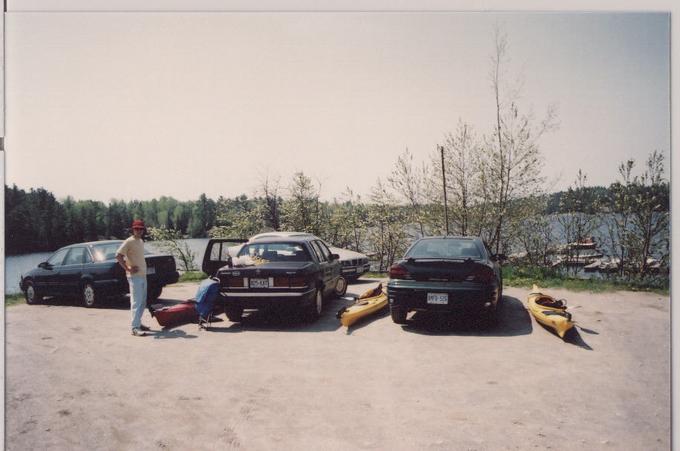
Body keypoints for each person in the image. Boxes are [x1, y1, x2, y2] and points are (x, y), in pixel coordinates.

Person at [116, 220, 151, 336]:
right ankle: (134, 328)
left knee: (142, 301)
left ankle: (138, 323)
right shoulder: (129, 241)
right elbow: (118, 255)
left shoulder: (140, 241)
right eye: (136, 229)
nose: (139, 231)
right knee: (136, 301)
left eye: (141, 229)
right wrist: (128, 269)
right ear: (133, 229)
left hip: (142, 275)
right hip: (134, 277)